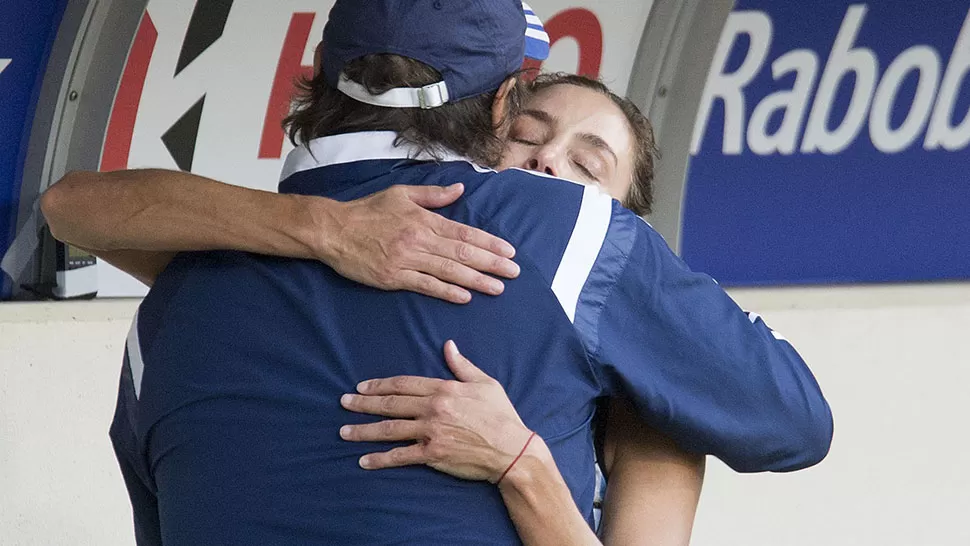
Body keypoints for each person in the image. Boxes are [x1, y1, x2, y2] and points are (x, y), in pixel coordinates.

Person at [44, 2, 832, 544]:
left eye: (589, 165)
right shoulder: (571, 241)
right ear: (499, 115)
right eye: (533, 133)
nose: (550, 169)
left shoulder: (178, 296)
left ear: (314, 83)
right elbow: (796, 422)